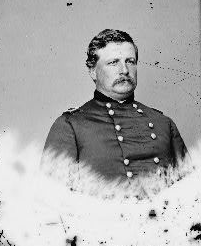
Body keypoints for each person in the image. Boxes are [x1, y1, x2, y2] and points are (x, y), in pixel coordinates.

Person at [42, 29, 188, 181]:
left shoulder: (163, 123)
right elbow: (53, 194)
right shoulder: (70, 126)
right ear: (93, 71)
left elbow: (191, 190)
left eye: (130, 61)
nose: (124, 70)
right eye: (113, 62)